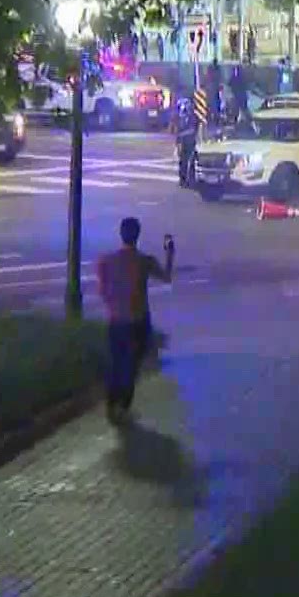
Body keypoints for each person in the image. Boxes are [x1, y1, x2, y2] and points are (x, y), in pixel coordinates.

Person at [95, 217, 175, 423]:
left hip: (116, 320)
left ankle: (112, 404)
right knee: (131, 365)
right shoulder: (144, 261)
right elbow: (166, 277)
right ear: (137, 236)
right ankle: (123, 406)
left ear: (121, 234)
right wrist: (170, 253)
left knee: (116, 361)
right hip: (138, 321)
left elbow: (103, 291)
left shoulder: (106, 261)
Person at [173, 100, 199, 186]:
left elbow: (195, 129)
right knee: (183, 161)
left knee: (191, 162)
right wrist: (177, 142)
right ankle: (183, 179)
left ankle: (191, 179)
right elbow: (176, 130)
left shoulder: (193, 117)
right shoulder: (180, 118)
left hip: (191, 142)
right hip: (183, 142)